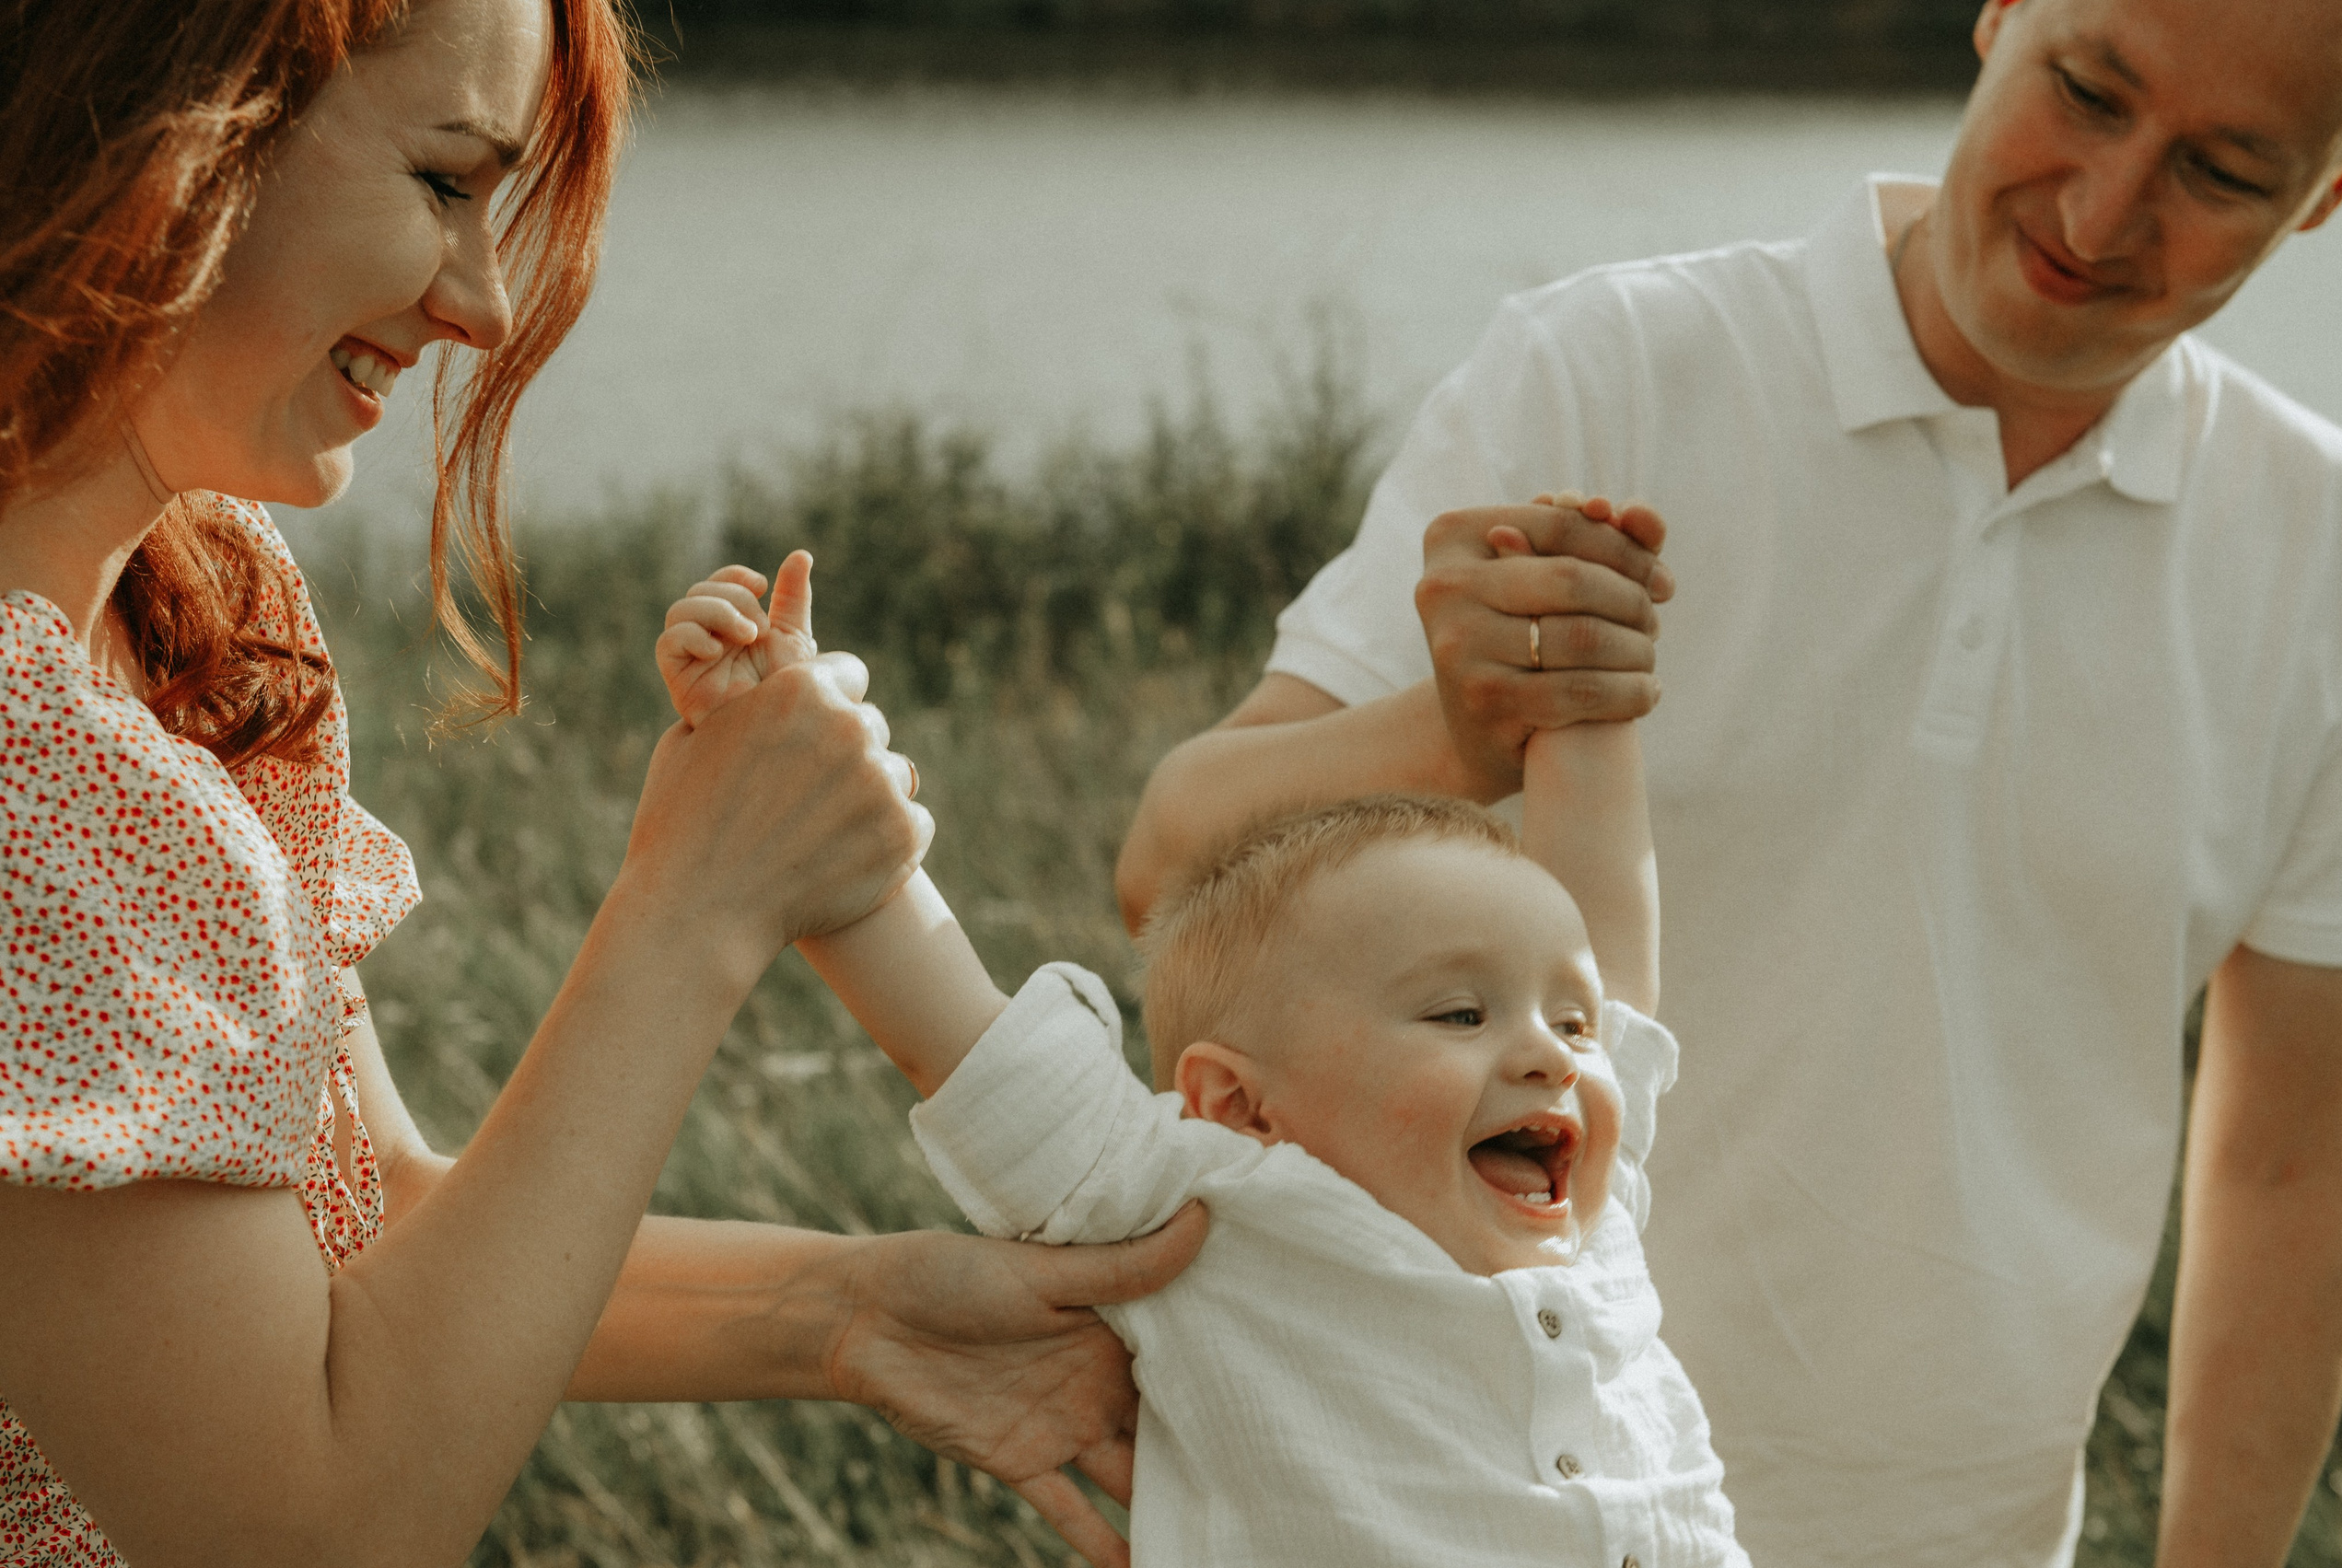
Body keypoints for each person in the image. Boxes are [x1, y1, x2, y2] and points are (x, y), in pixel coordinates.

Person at [1115, 0, 2342, 1564]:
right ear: (1998, 16)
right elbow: (1171, 866)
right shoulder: (1614, 368)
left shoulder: (2329, 555)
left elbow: (2294, 1162)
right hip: (1438, 1516)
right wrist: (1448, 731)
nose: (2103, 211)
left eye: (2226, 171)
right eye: (2088, 91)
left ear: (2330, 190)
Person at [0, 3, 1202, 1564]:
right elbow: (306, 1520)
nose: (487, 304)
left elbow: (363, 1239)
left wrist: (850, 1310)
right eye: (446, 184)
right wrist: (697, 901)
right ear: (166, 118)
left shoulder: (196, 603)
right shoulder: (37, 779)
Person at [654, 525, 1748, 1567]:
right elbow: (966, 1042)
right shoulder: (1216, 1220)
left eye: (1569, 1023)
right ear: (1238, 1102)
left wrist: (1584, 686)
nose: (1554, 1057)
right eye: (1460, 1014)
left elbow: (1597, 934)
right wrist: (780, 751)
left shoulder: (1590, 1221)